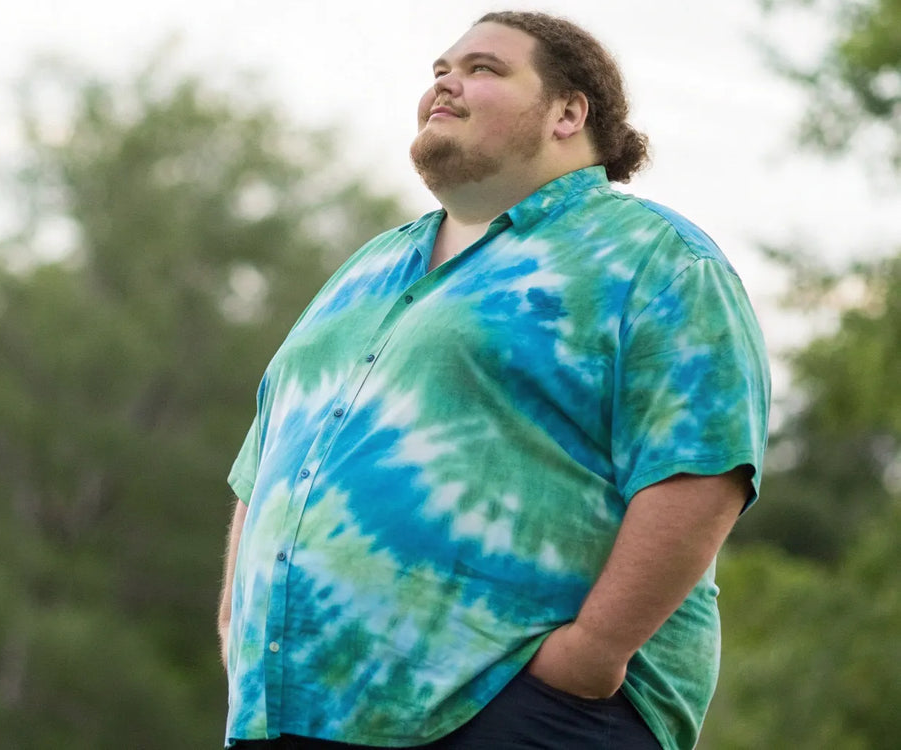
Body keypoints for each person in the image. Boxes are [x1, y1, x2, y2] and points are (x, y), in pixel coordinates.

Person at [217, 11, 770, 750]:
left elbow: (703, 466)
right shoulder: (367, 270)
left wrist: (592, 654)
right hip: (294, 709)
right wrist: (234, 623)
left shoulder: (654, 257)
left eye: (483, 68)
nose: (446, 81)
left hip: (517, 710)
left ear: (569, 112)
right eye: (440, 69)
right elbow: (264, 464)